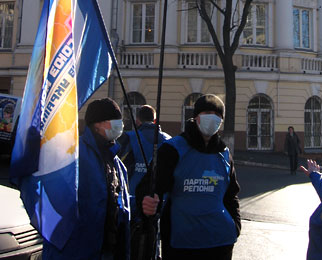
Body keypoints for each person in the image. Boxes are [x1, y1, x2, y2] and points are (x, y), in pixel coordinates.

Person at [138, 94, 241, 260]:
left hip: (220, 242)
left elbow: (231, 196)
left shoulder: (224, 153)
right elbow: (150, 186)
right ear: (196, 117)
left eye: (218, 116)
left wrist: (235, 226)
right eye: (207, 113)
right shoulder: (173, 149)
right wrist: (147, 201)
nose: (213, 118)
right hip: (182, 244)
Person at [43, 98, 130, 260]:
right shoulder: (73, 154)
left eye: (120, 120)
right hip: (75, 250)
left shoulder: (115, 160)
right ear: (97, 125)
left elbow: (118, 202)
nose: (120, 125)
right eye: (113, 120)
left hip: (106, 249)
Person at [118, 104, 171, 259]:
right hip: (159, 203)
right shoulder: (169, 141)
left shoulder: (129, 138)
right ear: (154, 120)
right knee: (153, 244)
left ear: (137, 120)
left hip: (132, 205)